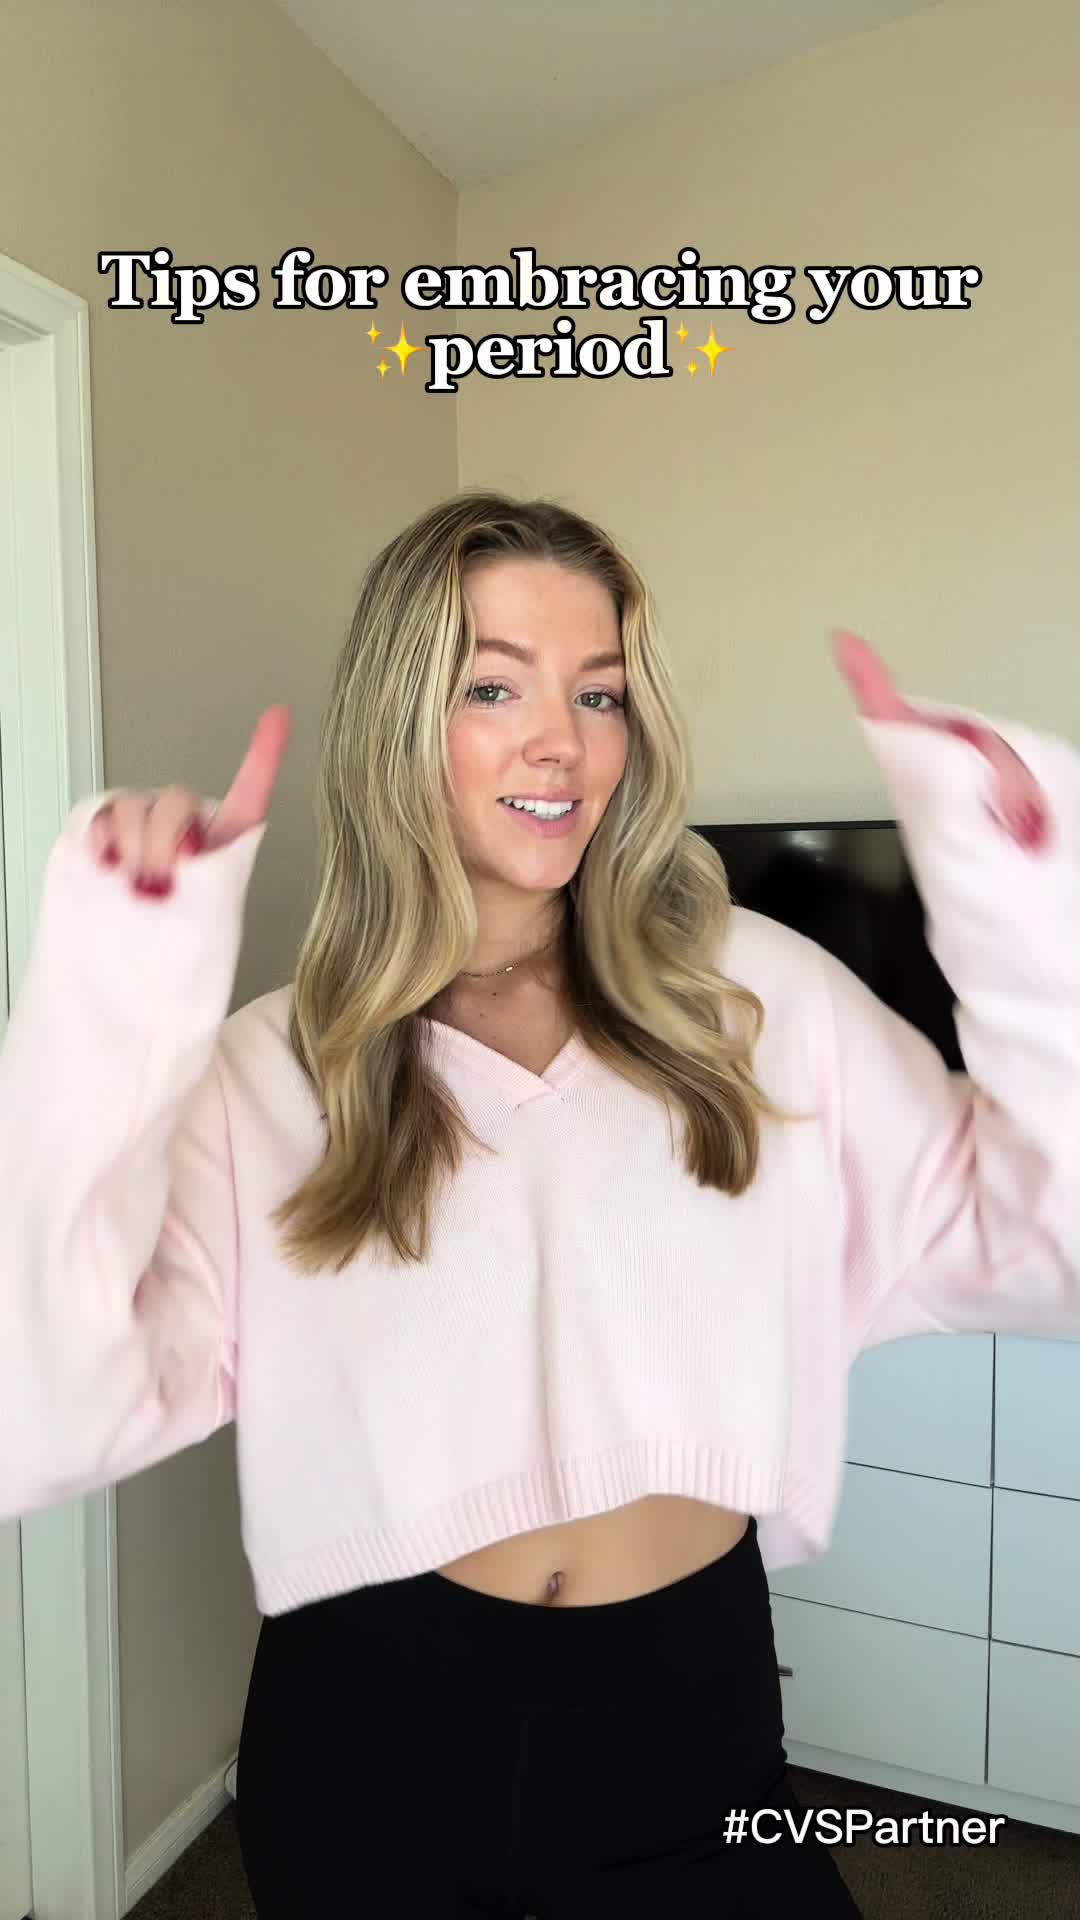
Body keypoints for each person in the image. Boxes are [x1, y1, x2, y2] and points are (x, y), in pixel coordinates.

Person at [0, 489, 1076, 1919]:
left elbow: (1052, 1241)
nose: (561, 741)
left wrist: (1027, 909)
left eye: (600, 693)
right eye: (493, 687)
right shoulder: (276, 1070)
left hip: (685, 1715)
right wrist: (110, 1002)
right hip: (366, 1725)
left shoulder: (755, 1002)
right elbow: (42, 1409)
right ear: (399, 723)